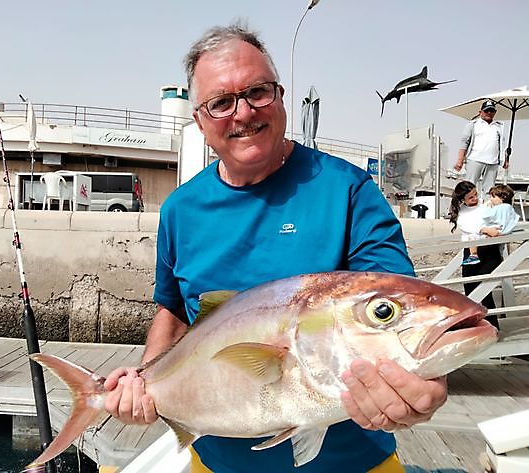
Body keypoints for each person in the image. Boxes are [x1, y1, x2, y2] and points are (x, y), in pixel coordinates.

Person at [104, 23, 447, 473]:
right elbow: (172, 309)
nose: (243, 113)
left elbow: (393, 304)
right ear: (200, 122)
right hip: (214, 464)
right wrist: (145, 381)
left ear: (281, 96)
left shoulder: (347, 189)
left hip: (354, 464)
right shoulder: (180, 210)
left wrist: (425, 378)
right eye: (221, 102)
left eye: (257, 92)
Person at [449, 180, 505, 328]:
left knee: (484, 288)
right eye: (471, 197)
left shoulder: (486, 204)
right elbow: (466, 226)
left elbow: (497, 219)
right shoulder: (461, 212)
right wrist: (484, 229)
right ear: (463, 200)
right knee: (469, 287)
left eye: (475, 194)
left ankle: (492, 327)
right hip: (471, 250)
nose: (475, 198)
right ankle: (475, 325)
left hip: (488, 249)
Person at [453, 99, 508, 199]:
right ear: (480, 112)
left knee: (490, 190)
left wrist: (505, 159)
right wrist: (460, 161)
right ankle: (465, 209)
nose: (489, 113)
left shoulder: (499, 126)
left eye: (491, 111)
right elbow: (464, 142)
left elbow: (502, 144)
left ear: (495, 112)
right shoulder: (473, 124)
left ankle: (488, 211)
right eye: (486, 110)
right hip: (475, 159)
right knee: (468, 187)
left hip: (492, 162)